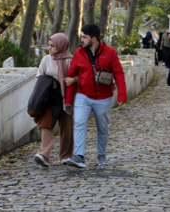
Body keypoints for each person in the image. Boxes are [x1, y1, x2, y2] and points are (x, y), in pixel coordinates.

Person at [62, 24, 127, 168]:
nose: (82, 40)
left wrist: (122, 95)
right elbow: (71, 75)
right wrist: (68, 99)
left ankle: (101, 155)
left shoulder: (109, 52)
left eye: (84, 37)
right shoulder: (79, 52)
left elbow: (119, 73)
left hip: (104, 97)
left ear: (94, 39)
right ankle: (79, 156)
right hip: (83, 95)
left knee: (102, 127)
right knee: (78, 122)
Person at [32, 33, 75, 166]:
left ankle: (66, 156)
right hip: (50, 99)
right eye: (49, 45)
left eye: (53, 46)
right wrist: (50, 82)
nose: (50, 48)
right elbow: (40, 76)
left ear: (62, 45)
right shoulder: (46, 59)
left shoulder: (71, 60)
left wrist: (72, 80)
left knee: (67, 127)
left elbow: (79, 76)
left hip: (66, 98)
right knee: (46, 125)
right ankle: (43, 154)